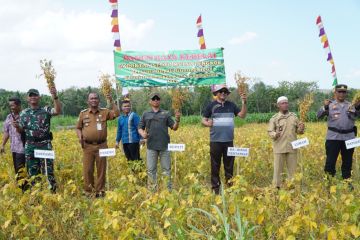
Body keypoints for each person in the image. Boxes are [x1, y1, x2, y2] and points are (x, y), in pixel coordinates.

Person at [14, 88, 61, 193]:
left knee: (48, 172)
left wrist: (55, 97)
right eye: (31, 95)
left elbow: (57, 111)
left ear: (39, 97)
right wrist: (17, 127)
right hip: (30, 146)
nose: (33, 97)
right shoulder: (23, 113)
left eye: (35, 95)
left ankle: (51, 196)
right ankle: (36, 196)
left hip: (45, 145)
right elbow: (21, 129)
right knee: (32, 172)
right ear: (27, 98)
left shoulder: (46, 110)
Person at [202, 84, 247, 194]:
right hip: (215, 141)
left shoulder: (231, 105)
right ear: (216, 93)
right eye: (221, 91)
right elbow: (203, 120)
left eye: (225, 92)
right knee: (215, 165)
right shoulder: (211, 106)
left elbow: (242, 115)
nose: (223, 93)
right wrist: (208, 123)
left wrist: (244, 103)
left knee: (229, 165)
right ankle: (216, 189)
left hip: (228, 140)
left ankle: (230, 186)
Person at [76, 92, 120, 198]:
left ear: (99, 100)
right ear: (88, 101)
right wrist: (80, 137)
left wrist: (111, 101)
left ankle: (100, 191)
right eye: (91, 98)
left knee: (101, 169)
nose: (94, 100)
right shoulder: (83, 113)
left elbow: (117, 113)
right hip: (88, 146)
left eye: (96, 98)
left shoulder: (105, 112)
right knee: (88, 170)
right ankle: (89, 191)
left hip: (102, 145)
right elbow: (78, 127)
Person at [317, 84, 360, 186]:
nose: (341, 94)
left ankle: (347, 182)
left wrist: (357, 108)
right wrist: (325, 107)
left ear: (346, 94)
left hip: (349, 137)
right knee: (330, 162)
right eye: (339, 91)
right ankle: (329, 182)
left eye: (344, 92)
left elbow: (357, 116)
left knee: (347, 162)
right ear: (335, 93)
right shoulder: (330, 105)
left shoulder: (351, 105)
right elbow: (318, 115)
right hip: (333, 137)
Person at [138, 92, 180, 191]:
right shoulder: (145, 114)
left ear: (160, 101)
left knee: (166, 170)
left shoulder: (166, 113)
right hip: (151, 146)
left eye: (157, 99)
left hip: (164, 146)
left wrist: (177, 119)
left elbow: (174, 128)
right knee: (151, 170)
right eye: (153, 99)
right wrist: (142, 134)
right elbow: (140, 127)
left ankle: (167, 191)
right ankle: (152, 191)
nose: (156, 100)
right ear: (150, 101)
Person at [268, 96, 305, 188]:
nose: (285, 105)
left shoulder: (294, 117)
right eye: (283, 103)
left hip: (292, 147)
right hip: (279, 147)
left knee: (292, 170)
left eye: (286, 103)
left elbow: (299, 132)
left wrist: (301, 128)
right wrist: (275, 134)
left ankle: (292, 187)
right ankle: (276, 188)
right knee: (278, 171)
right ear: (278, 105)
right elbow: (270, 131)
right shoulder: (274, 118)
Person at [0, 96, 28, 191]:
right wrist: (2, 144)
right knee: (17, 170)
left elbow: (25, 131)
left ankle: (25, 191)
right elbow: (6, 132)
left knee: (22, 171)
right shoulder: (9, 117)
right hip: (14, 148)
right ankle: (22, 190)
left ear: (19, 105)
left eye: (13, 105)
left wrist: (18, 127)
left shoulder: (25, 115)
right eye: (10, 105)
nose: (11, 107)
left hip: (23, 148)